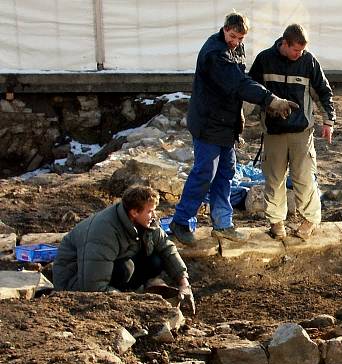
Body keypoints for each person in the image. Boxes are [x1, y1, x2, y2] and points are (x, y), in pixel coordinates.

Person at [169, 11, 299, 246]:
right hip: (208, 123)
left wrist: (239, 114)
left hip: (226, 125)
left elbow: (239, 81)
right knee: (204, 173)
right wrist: (270, 100)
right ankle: (181, 221)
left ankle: (222, 224)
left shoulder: (235, 49)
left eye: (240, 38)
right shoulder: (214, 53)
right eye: (232, 36)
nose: (236, 41)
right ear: (225, 29)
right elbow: (238, 83)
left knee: (226, 173)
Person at [248, 23, 336, 240]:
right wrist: (245, 115)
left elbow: (323, 92)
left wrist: (328, 122)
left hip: (301, 133)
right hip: (273, 132)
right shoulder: (264, 60)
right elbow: (250, 90)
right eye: (296, 50)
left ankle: (310, 220)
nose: (300, 54)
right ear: (284, 44)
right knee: (274, 179)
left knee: (304, 178)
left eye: (303, 50)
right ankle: (277, 223)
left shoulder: (308, 62)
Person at [52, 185, 195, 312]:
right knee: (125, 268)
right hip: (75, 279)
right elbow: (92, 287)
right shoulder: (103, 232)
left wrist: (184, 283)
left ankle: (138, 287)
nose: (154, 216)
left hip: (105, 266)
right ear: (134, 212)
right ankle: (128, 291)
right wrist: (129, 301)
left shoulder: (145, 221)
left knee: (156, 261)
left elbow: (167, 248)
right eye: (150, 211)